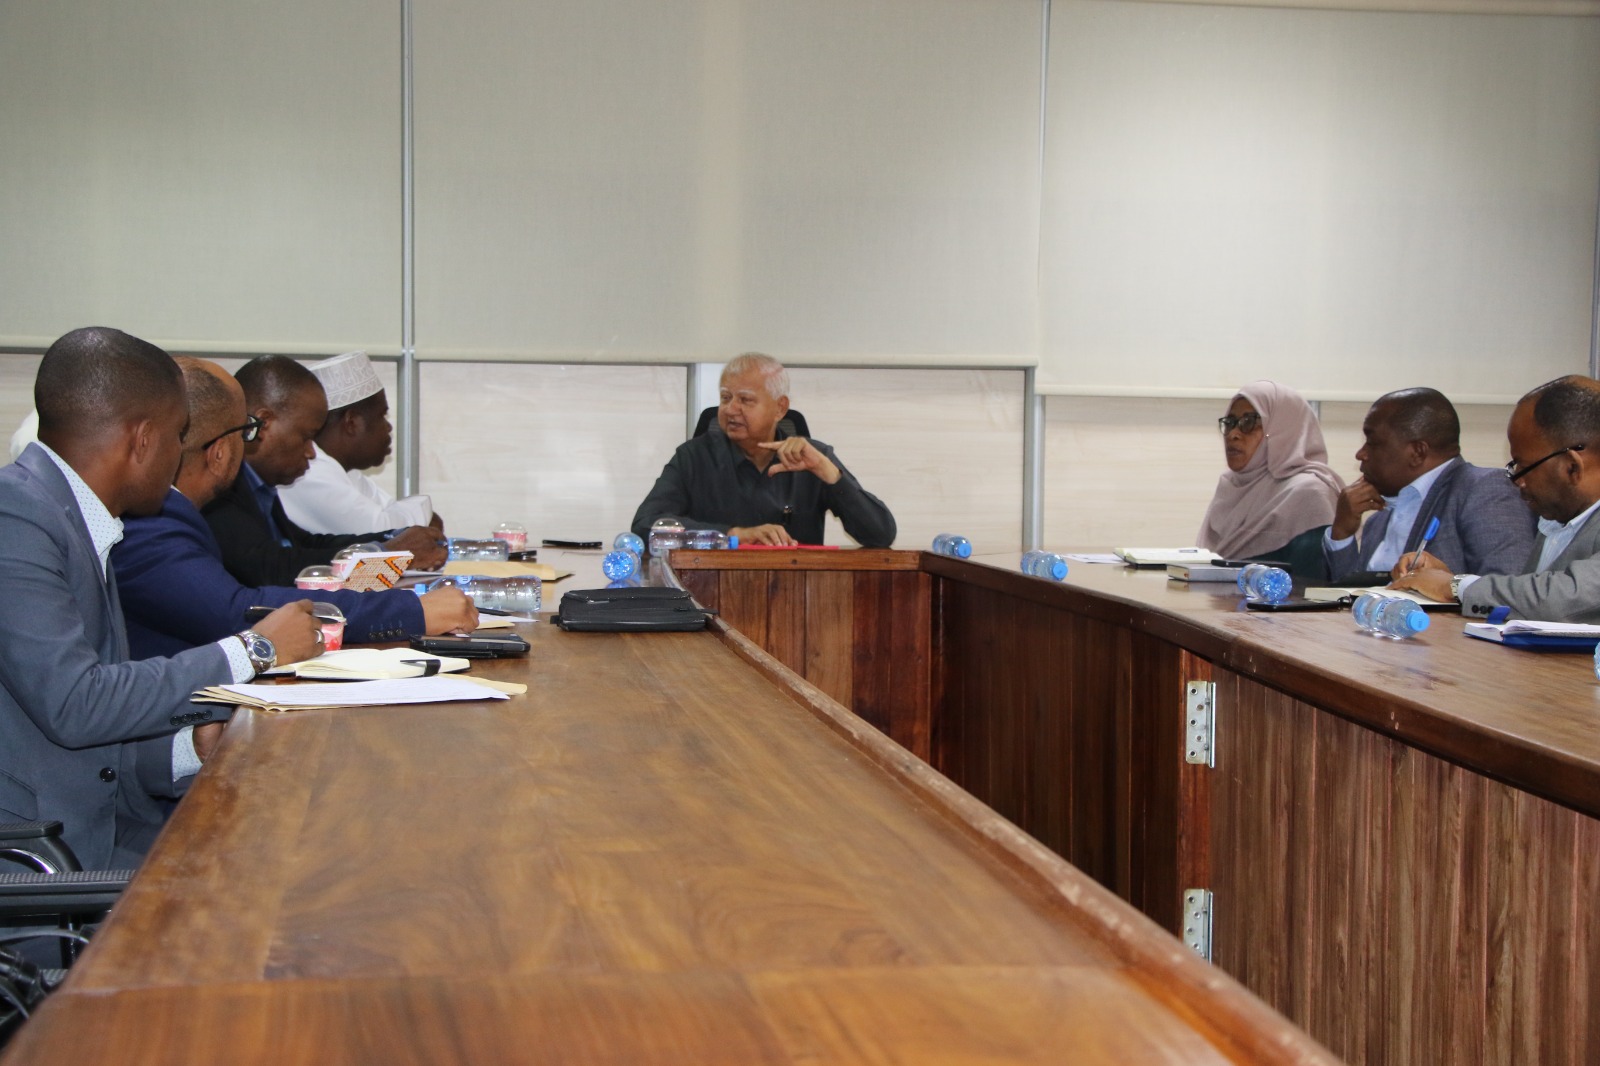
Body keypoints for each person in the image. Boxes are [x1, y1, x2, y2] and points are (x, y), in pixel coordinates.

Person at [0, 327, 320, 870]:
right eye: (178, 436)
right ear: (143, 439)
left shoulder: (78, 519)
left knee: (297, 847)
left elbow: (87, 736)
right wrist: (254, 650)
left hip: (94, 830)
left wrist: (188, 749)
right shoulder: (18, 516)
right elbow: (76, 705)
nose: (179, 458)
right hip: (40, 859)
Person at [114, 358, 478, 660]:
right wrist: (411, 610)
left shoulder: (174, 511)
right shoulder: (150, 522)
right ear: (220, 450)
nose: (311, 453)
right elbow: (238, 610)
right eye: (245, 432)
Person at [203, 355, 446, 588]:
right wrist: (389, 556)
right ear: (264, 424)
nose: (311, 453)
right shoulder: (221, 488)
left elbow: (308, 544)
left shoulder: (258, 485)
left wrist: (392, 540)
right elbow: (270, 569)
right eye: (306, 437)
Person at [631, 352, 896, 547]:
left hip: (796, 596)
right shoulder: (693, 458)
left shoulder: (812, 458)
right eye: (725, 397)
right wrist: (731, 535)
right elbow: (645, 525)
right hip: (710, 594)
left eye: (745, 400)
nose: (731, 409)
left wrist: (831, 475)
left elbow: (880, 535)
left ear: (780, 408)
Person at [1394, 375, 1600, 622]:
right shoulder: (1556, 520)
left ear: (1572, 467)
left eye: (1522, 466)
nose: (1516, 481)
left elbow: (1566, 598)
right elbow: (1528, 601)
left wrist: (1456, 586)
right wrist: (1448, 582)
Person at [1323, 388, 1534, 583]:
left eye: (1372, 443)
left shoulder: (1484, 490)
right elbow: (1348, 596)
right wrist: (1342, 533)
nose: (1360, 454)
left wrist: (1448, 587)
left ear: (1418, 452)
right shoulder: (1377, 520)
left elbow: (1505, 589)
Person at [278, 350, 442, 535]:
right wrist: (425, 513)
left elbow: (393, 513)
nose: (388, 427)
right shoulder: (309, 472)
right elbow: (383, 531)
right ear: (352, 423)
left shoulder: (345, 471)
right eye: (382, 416)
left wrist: (422, 519)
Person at [1196, 380, 1342, 577]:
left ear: (1282, 430)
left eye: (1249, 422)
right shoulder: (1230, 486)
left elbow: (1310, 583)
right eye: (1230, 423)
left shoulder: (1309, 494)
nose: (1233, 434)